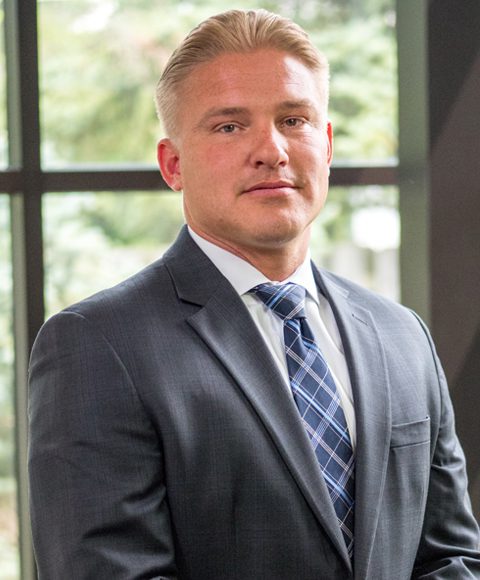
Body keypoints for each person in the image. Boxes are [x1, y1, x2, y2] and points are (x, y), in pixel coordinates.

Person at [28, 9, 480, 579]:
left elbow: (451, 558)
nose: (272, 149)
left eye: (294, 120)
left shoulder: (402, 335)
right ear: (173, 164)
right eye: (229, 126)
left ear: (327, 144)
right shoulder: (97, 346)